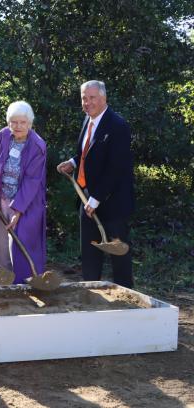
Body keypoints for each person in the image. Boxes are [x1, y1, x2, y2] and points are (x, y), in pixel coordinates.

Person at [57, 80, 135, 288]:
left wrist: (96, 198)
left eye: (92, 98)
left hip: (112, 202)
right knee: (90, 254)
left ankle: (127, 303)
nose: (87, 102)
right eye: (84, 98)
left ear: (103, 98)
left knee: (119, 257)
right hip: (87, 197)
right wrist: (73, 162)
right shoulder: (88, 120)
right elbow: (88, 154)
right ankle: (91, 296)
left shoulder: (118, 126)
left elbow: (115, 168)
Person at [0, 101, 47, 284]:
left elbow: (32, 181)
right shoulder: (4, 136)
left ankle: (24, 287)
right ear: (8, 122)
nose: (18, 126)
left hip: (25, 205)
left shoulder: (37, 145)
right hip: (1, 200)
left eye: (22, 122)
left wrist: (18, 211)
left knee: (21, 249)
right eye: (14, 122)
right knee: (0, 246)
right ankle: (3, 285)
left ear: (30, 123)